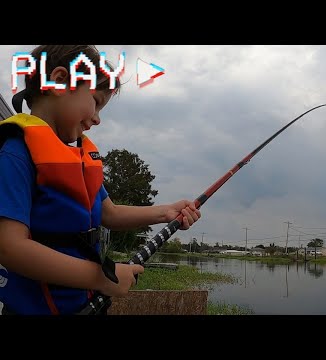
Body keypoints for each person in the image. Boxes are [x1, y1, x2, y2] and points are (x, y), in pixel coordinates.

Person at [0, 45, 201, 315]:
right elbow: (9, 247)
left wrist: (166, 212)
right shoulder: (15, 154)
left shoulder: (79, 159)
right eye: (95, 102)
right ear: (60, 81)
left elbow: (110, 213)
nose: (97, 119)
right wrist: (101, 278)